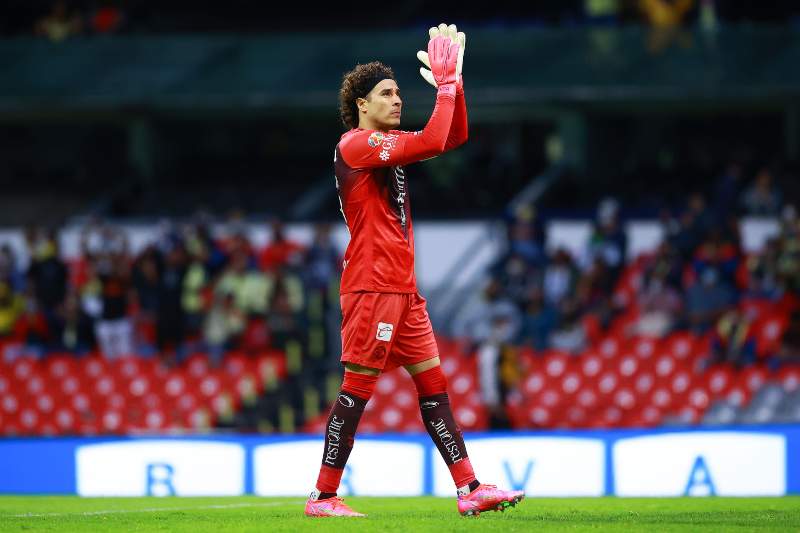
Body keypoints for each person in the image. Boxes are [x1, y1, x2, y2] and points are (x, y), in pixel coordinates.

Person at [305, 24, 524, 518]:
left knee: (435, 389)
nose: (398, 99)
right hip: (371, 286)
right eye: (387, 93)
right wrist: (442, 90)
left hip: (404, 290)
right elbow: (431, 140)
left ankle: (469, 488)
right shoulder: (355, 145)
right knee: (357, 389)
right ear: (362, 104)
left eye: (401, 91)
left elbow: (453, 136)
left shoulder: (387, 143)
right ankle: (322, 496)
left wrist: (457, 88)